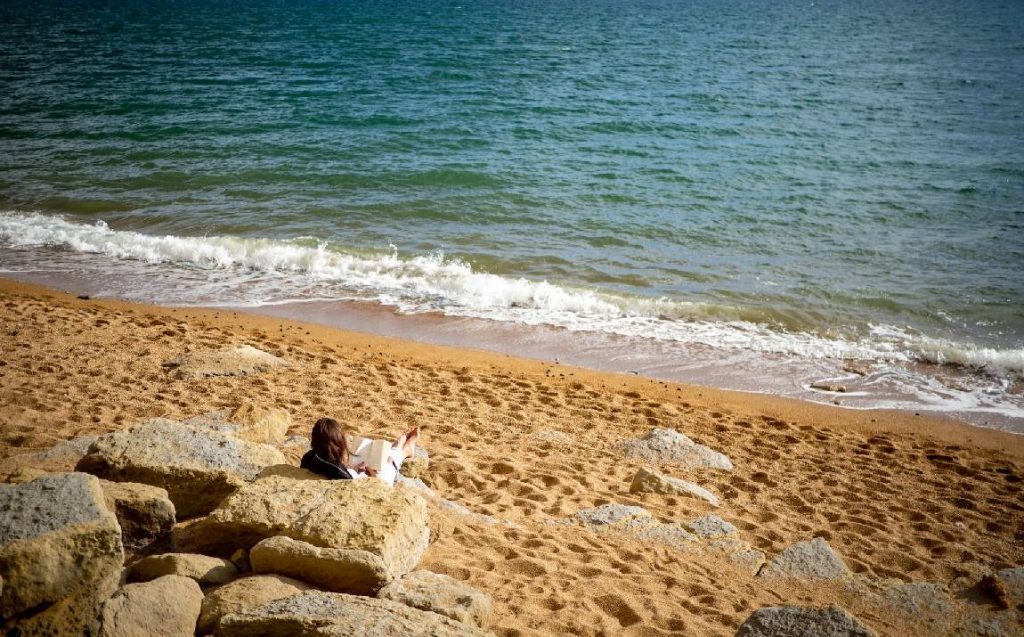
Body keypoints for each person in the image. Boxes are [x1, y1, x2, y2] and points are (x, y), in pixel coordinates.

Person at [300, 417, 419, 486]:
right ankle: (403, 451)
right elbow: (360, 486)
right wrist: (371, 475)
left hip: (348, 475)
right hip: (360, 486)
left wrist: (356, 470)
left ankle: (397, 448)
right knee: (387, 466)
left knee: (370, 459)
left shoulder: (310, 457)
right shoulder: (338, 470)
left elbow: (340, 472)